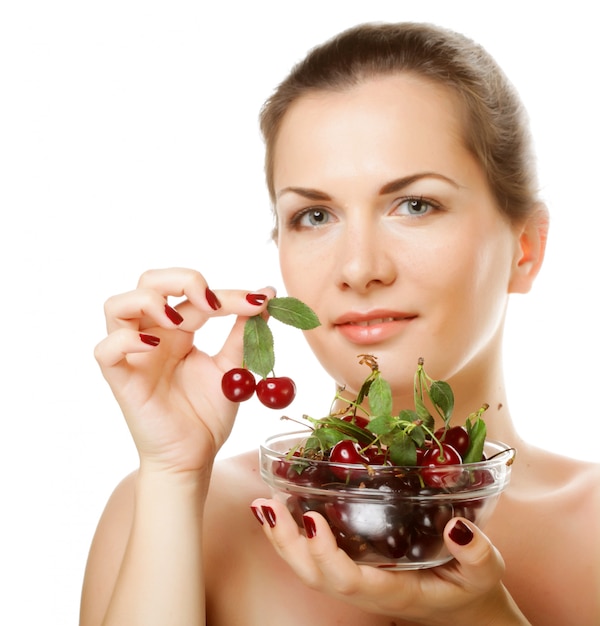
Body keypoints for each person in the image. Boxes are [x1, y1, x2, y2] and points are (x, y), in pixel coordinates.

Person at [79, 22, 600, 626]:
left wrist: (481, 614)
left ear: (526, 248)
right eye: (315, 214)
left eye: (415, 204)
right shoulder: (188, 511)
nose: (359, 268)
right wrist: (173, 474)